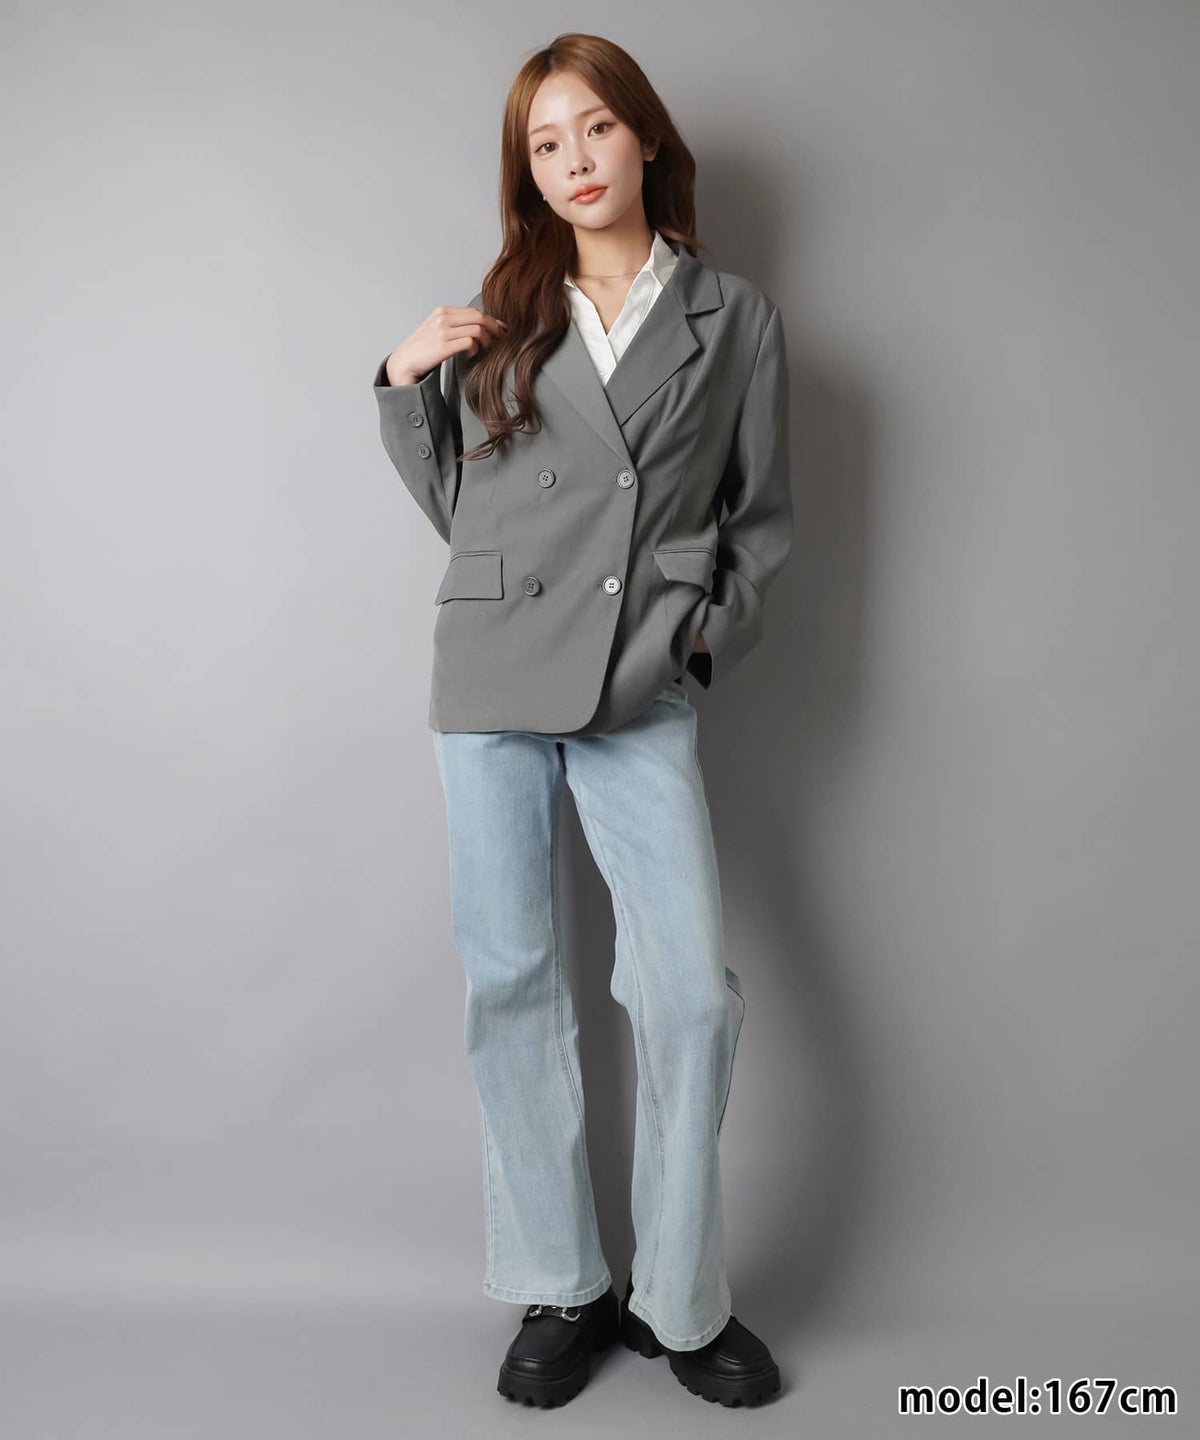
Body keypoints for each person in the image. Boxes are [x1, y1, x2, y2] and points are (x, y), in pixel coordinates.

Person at [371, 32, 790, 1410]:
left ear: (646, 137)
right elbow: (464, 510)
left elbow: (760, 518)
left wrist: (698, 631)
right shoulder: (507, 307)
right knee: (511, 982)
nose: (574, 162)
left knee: (687, 998)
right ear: (529, 174)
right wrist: (402, 383)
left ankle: (680, 1298)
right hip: (491, 675)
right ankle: (561, 1282)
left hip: (633, 678)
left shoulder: (733, 317)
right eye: (544, 146)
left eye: (594, 129)